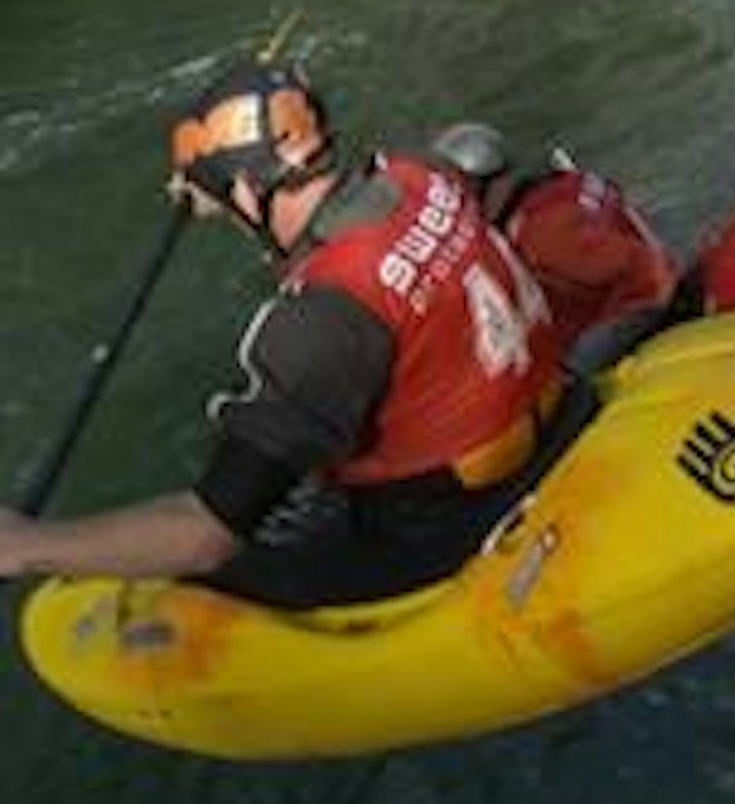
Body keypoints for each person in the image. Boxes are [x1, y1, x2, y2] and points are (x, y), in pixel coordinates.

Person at [0, 57, 579, 609]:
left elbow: (208, 536)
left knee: (207, 565)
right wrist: (216, 175)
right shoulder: (420, 173)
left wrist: (29, 546)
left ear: (250, 191)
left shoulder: (320, 322)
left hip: (446, 520)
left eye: (227, 204)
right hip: (552, 418)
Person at [427, 122, 683, 358]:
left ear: (478, 186)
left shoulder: (541, 231)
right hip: (655, 291)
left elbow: (645, 272)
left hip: (649, 315)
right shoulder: (565, 183)